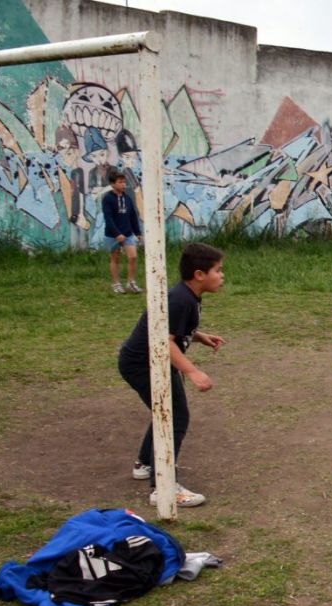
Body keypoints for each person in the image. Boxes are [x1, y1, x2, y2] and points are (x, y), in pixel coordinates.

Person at [119, 243, 227, 507]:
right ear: (199, 275)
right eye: (218, 270)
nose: (222, 276)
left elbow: (175, 330)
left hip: (148, 361)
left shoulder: (187, 296)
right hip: (143, 363)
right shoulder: (180, 299)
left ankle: (145, 463)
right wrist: (192, 371)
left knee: (164, 412)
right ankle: (163, 488)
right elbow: (163, 342)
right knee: (175, 415)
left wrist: (199, 337)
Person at [101, 169, 143, 294]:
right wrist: (116, 233)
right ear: (113, 184)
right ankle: (116, 284)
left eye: (124, 182)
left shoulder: (128, 198)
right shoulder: (107, 199)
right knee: (115, 258)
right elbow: (108, 218)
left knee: (133, 256)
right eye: (120, 182)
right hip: (113, 234)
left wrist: (138, 232)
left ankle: (131, 283)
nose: (123, 185)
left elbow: (133, 216)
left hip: (128, 233)